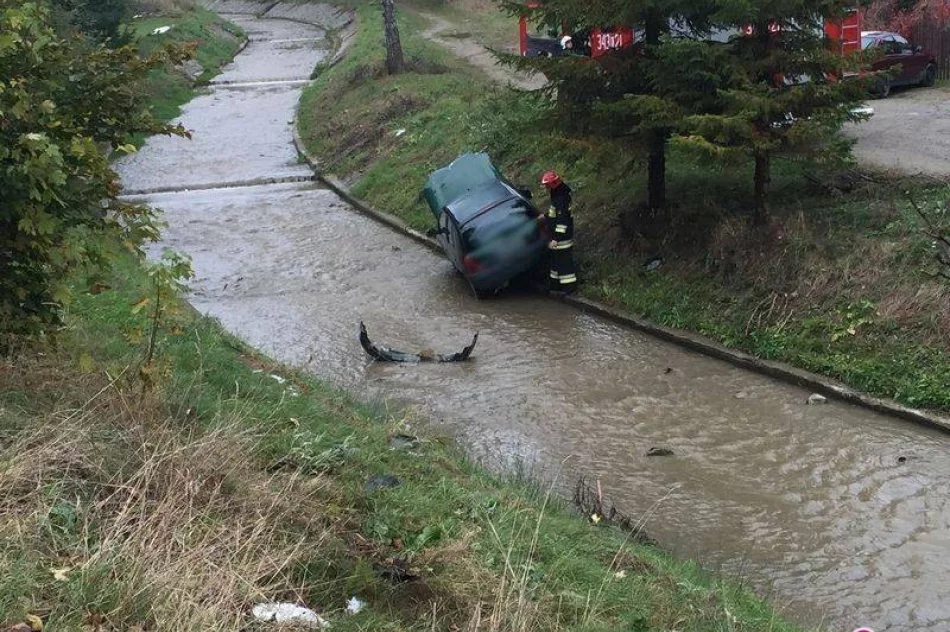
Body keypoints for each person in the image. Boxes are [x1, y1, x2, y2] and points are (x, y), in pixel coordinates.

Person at [540, 170, 577, 294]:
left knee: (564, 264)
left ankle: (569, 289)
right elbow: (554, 214)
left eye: (547, 185)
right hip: (557, 237)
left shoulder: (561, 198)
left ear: (553, 184)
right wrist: (544, 217)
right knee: (556, 263)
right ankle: (555, 286)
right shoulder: (558, 195)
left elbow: (562, 222)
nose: (545, 187)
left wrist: (556, 238)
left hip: (562, 238)